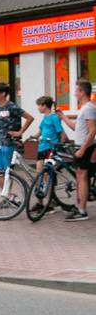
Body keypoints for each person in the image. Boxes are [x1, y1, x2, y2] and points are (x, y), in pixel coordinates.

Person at [56, 80, 96, 221]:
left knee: (82, 177)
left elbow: (92, 131)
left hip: (84, 147)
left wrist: (82, 150)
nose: (74, 93)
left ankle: (82, 211)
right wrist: (63, 117)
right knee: (80, 177)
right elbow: (76, 128)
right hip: (81, 146)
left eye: (76, 90)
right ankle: (79, 206)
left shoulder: (88, 108)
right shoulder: (84, 108)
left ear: (82, 92)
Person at [28, 96, 66, 213]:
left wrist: (58, 146)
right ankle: (41, 203)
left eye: (39, 105)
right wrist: (31, 137)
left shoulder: (54, 117)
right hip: (42, 148)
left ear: (44, 105)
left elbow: (61, 134)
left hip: (50, 148)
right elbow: (40, 132)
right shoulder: (45, 118)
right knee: (40, 176)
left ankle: (49, 203)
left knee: (46, 176)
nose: (38, 107)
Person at [0, 82, 33, 171]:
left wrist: (20, 132)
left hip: (9, 143)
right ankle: (3, 186)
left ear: (3, 93)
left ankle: (7, 185)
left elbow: (29, 118)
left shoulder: (12, 106)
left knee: (7, 171)